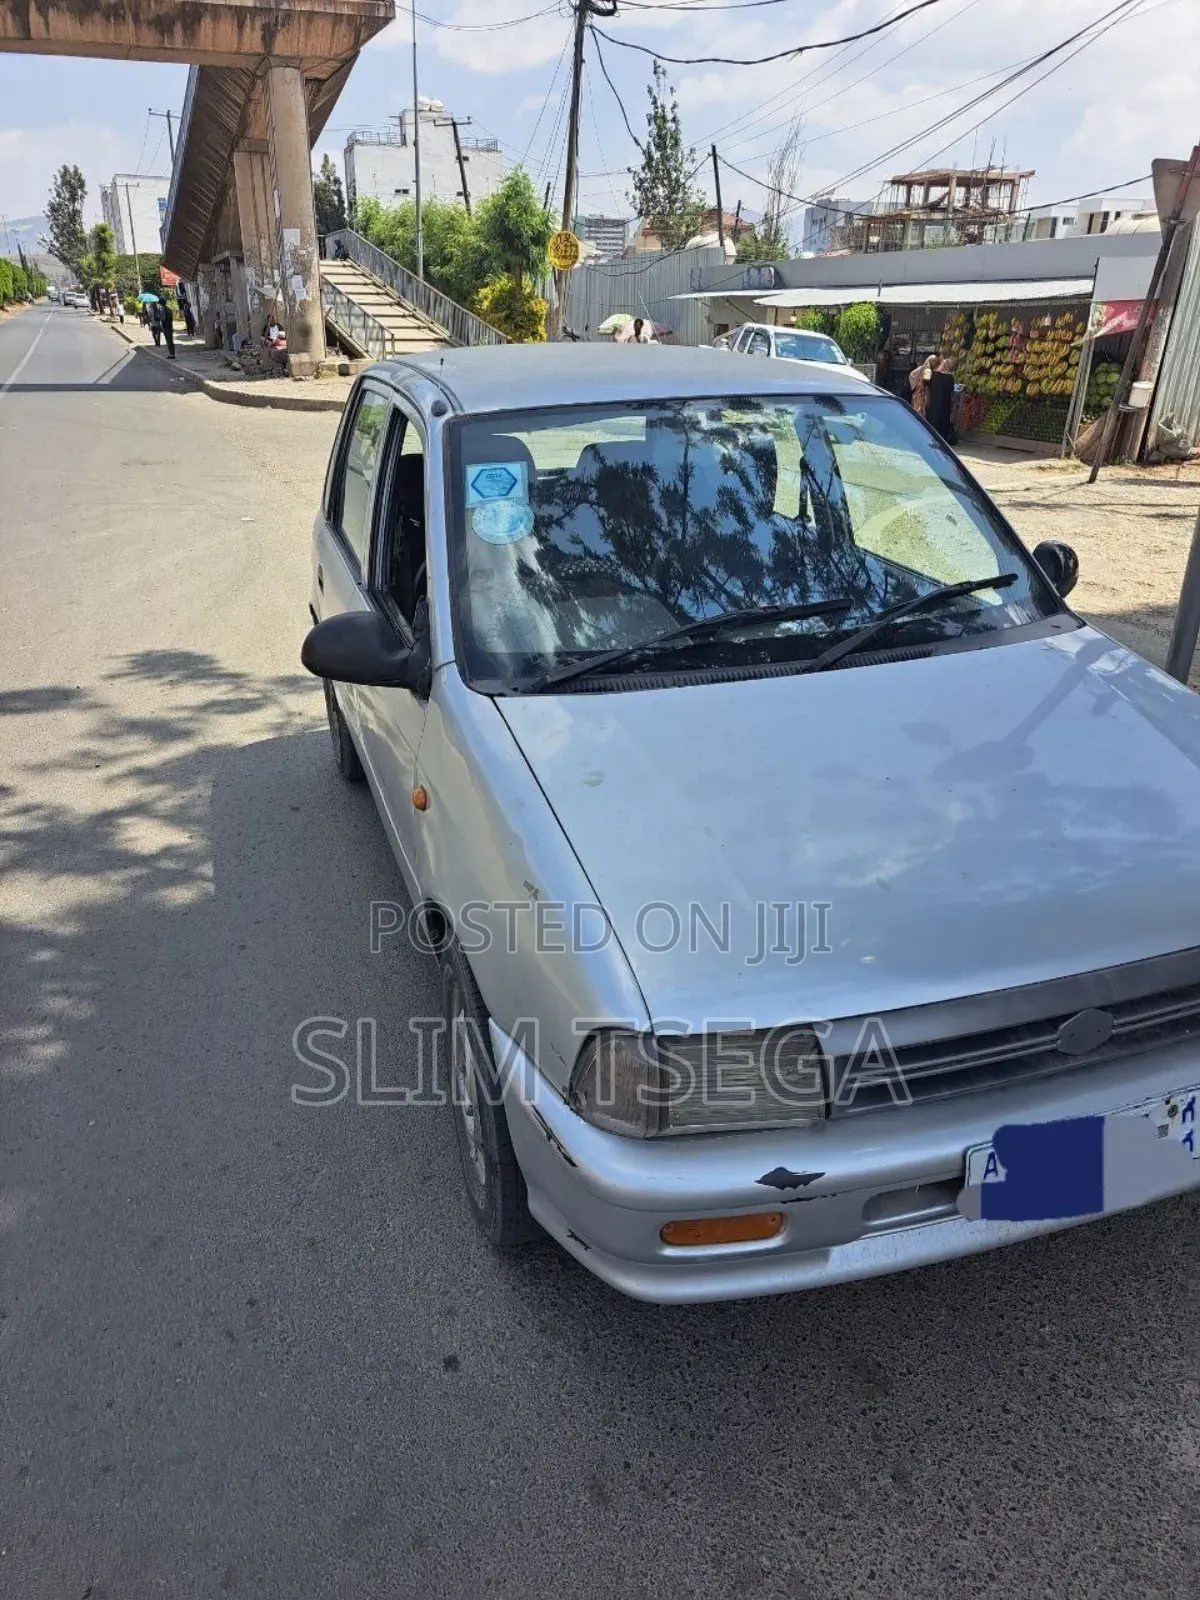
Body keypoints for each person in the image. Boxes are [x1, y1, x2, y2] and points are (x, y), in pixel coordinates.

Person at [925, 356, 956, 443]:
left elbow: (927, 385)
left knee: (933, 418)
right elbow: (951, 390)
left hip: (934, 401)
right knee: (944, 419)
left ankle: (931, 436)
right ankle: (942, 439)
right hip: (945, 403)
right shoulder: (950, 377)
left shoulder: (934, 374)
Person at [160, 295, 176, 359]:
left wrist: (162, 327)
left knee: (168, 341)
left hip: (166, 327)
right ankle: (172, 353)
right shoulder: (168, 309)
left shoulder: (163, 310)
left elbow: (163, 319)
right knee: (171, 341)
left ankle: (171, 354)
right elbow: (171, 318)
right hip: (170, 326)